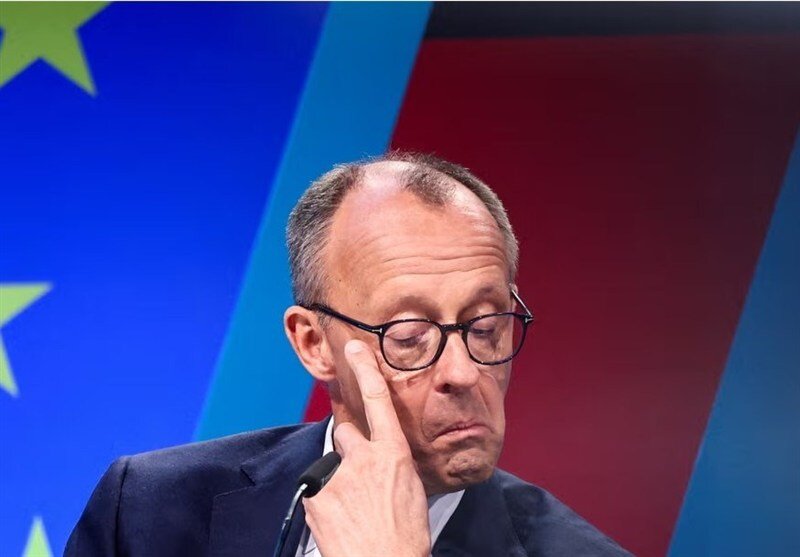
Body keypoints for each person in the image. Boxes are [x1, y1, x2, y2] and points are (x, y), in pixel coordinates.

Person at [66, 152, 631, 556]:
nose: (462, 373)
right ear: (314, 344)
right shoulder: (147, 509)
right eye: (409, 336)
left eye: (485, 326)